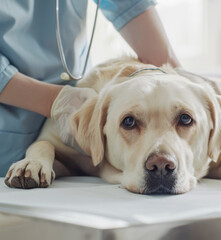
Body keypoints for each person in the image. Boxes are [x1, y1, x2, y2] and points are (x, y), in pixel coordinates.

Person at [0, 0, 181, 177]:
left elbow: (158, 52)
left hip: (80, 135)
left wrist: (183, 84)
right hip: (9, 140)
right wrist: (54, 100)